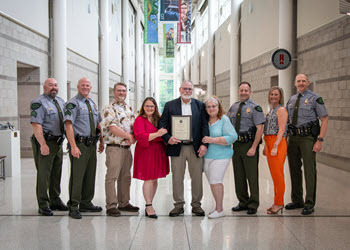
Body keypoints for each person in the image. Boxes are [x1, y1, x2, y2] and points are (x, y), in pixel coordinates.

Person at [159, 80, 209, 217]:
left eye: (190, 89)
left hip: (195, 147)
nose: (187, 91)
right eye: (185, 89)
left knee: (197, 177)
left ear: (192, 91)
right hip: (177, 147)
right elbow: (162, 124)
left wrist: (204, 145)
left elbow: (205, 126)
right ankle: (178, 205)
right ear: (180, 89)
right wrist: (168, 138)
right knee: (177, 177)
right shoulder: (170, 105)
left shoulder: (200, 105)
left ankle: (197, 205)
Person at [285, 74, 328, 215]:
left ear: (308, 83)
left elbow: (325, 119)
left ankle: (309, 203)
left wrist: (320, 140)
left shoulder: (315, 98)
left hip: (308, 138)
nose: (301, 83)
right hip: (293, 138)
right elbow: (286, 120)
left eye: (304, 81)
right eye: (299, 81)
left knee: (310, 170)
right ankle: (297, 200)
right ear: (295, 83)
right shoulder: (291, 99)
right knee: (294, 169)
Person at [64, 77, 104, 219]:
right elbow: (68, 125)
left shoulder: (91, 103)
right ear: (78, 87)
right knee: (77, 176)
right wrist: (73, 145)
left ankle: (86, 202)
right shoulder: (72, 104)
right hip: (79, 144)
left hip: (92, 144)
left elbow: (98, 124)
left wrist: (102, 141)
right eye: (83, 85)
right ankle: (74, 206)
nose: (85, 87)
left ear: (91, 87)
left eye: (88, 85)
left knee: (90, 174)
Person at [30, 78, 68, 216]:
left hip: (58, 143)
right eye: (50, 85)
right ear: (44, 87)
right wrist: (43, 144)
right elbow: (36, 125)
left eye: (56, 85)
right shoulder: (38, 103)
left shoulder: (61, 102)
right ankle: (43, 204)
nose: (54, 87)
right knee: (44, 174)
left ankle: (55, 200)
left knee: (56, 173)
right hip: (46, 141)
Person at [100, 82, 139, 217]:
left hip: (127, 148)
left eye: (124, 91)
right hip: (115, 148)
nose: (122, 93)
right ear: (114, 92)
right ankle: (111, 205)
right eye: (119, 91)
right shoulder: (108, 108)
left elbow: (134, 126)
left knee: (126, 177)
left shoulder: (128, 108)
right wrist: (129, 136)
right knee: (112, 177)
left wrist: (133, 137)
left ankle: (124, 203)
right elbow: (112, 127)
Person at [227, 82, 266, 215]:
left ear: (250, 92)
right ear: (238, 91)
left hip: (249, 144)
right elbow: (227, 125)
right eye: (241, 90)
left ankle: (253, 203)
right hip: (236, 145)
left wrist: (254, 147)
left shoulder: (255, 108)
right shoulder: (233, 107)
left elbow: (260, 128)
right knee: (239, 175)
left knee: (251, 175)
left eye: (246, 90)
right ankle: (243, 201)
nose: (243, 92)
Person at [133, 97, 170, 219]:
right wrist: (157, 134)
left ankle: (150, 202)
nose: (149, 108)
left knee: (154, 179)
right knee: (148, 178)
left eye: (152, 106)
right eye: (147, 106)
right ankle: (148, 205)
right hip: (146, 151)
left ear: (155, 108)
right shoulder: (139, 120)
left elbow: (166, 132)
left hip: (159, 150)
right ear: (143, 107)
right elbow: (141, 136)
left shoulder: (158, 119)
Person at [202, 96, 238, 219]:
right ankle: (217, 207)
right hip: (207, 156)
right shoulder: (204, 120)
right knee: (212, 183)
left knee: (216, 181)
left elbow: (233, 137)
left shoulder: (224, 120)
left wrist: (213, 140)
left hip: (221, 156)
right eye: (209, 106)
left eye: (214, 106)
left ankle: (219, 209)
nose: (211, 109)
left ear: (218, 107)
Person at [263, 87, 288, 214]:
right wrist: (265, 147)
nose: (273, 96)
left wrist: (275, 146)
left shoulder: (281, 110)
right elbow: (267, 127)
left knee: (278, 175)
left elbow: (282, 130)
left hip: (276, 142)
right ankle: (277, 201)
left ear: (280, 96)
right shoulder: (271, 110)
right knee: (274, 175)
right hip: (268, 142)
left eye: (276, 95)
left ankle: (279, 203)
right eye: (271, 94)